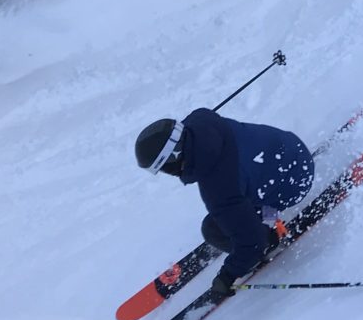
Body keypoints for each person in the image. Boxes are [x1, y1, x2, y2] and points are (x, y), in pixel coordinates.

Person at [135, 108, 315, 296]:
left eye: (164, 168)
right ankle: (263, 216)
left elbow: (252, 244)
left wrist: (227, 276)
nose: (169, 173)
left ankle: (271, 234)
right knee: (245, 187)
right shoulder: (201, 122)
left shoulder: (220, 186)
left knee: (213, 230)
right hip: (294, 150)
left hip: (293, 187)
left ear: (174, 157)